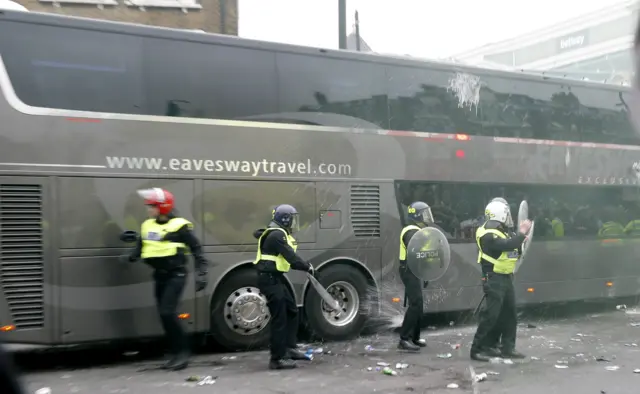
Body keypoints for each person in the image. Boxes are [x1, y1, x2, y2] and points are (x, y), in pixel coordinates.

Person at [120, 188, 209, 371]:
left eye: (151, 206)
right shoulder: (147, 225)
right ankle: (174, 352)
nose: (148, 209)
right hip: (159, 275)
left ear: (163, 207)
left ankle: (183, 352)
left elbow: (196, 249)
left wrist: (201, 273)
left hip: (176, 275)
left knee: (168, 312)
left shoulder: (179, 226)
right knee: (163, 314)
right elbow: (140, 247)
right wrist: (128, 258)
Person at [253, 204, 314, 370]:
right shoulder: (276, 236)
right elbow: (291, 258)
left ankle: (289, 348)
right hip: (269, 280)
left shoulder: (277, 233)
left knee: (292, 311)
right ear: (285, 219)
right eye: (293, 219)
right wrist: (307, 266)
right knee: (280, 318)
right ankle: (277, 358)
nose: (295, 223)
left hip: (276, 278)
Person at [470, 199, 532, 362]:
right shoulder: (487, 234)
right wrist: (522, 233)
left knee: (510, 314)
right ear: (499, 215)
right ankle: (477, 349)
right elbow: (507, 245)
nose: (509, 217)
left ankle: (507, 348)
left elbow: (513, 249)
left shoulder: (501, 230)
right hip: (493, 278)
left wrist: (520, 241)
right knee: (491, 316)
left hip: (506, 277)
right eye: (506, 214)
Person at [397, 201, 434, 351]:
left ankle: (415, 337)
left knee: (419, 304)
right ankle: (403, 339)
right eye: (425, 213)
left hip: (415, 270)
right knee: (415, 304)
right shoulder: (410, 231)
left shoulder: (419, 230)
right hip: (408, 270)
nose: (428, 216)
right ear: (418, 215)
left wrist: (425, 273)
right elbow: (417, 251)